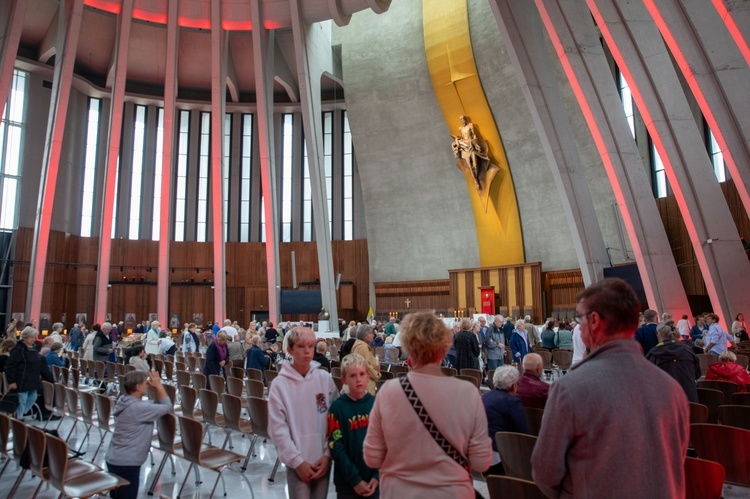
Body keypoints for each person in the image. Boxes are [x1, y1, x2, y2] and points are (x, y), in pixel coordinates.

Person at [531, 278, 689, 498]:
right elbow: (677, 459)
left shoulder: (570, 388)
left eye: (580, 317)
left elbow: (545, 471)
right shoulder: (672, 389)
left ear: (594, 320)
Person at [363, 312, 492, 497]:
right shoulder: (468, 393)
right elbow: (481, 462)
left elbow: (372, 457)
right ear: (446, 346)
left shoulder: (388, 392)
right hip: (451, 491)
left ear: (407, 346)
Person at [269, 327, 339, 498]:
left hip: (323, 458)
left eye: (311, 346)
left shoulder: (324, 379)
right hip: (297, 462)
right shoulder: (279, 385)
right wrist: (297, 462)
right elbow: (277, 429)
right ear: (290, 350)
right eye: (301, 346)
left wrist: (328, 455)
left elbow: (335, 418)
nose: (307, 351)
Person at [105, 370, 173, 499]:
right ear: (138, 387)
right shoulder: (139, 408)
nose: (148, 385)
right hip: (127, 462)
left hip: (115, 457)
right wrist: (158, 385)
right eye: (145, 383)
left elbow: (155, 404)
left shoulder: (124, 401)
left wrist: (154, 389)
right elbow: (167, 406)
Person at [327, 353, 379, 498]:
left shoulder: (376, 405)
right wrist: (354, 479)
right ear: (344, 379)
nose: (358, 380)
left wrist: (378, 474)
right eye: (353, 376)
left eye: (362, 374)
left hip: (375, 481)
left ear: (368, 376)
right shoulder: (337, 408)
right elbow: (335, 446)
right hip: (347, 484)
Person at [482, 365, 530, 476]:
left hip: (482, 447)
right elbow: (522, 432)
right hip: (498, 452)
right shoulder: (512, 401)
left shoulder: (486, 396)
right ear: (513, 385)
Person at [647, 322, 701, 403]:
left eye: (657, 333)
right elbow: (697, 374)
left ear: (661, 335)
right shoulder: (687, 350)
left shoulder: (653, 354)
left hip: (665, 402)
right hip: (689, 400)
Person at [5, 327, 51, 418]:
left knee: (33, 397)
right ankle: (18, 420)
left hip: (33, 380)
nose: (33, 339)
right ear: (25, 337)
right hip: (21, 380)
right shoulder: (19, 349)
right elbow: (10, 366)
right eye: (31, 337)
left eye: (34, 337)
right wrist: (11, 381)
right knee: (22, 401)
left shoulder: (33, 348)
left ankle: (18, 416)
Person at [350, 325, 381, 395]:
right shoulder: (363, 347)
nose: (373, 335)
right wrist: (377, 374)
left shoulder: (361, 345)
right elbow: (365, 365)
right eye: (370, 333)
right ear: (363, 334)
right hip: (365, 385)